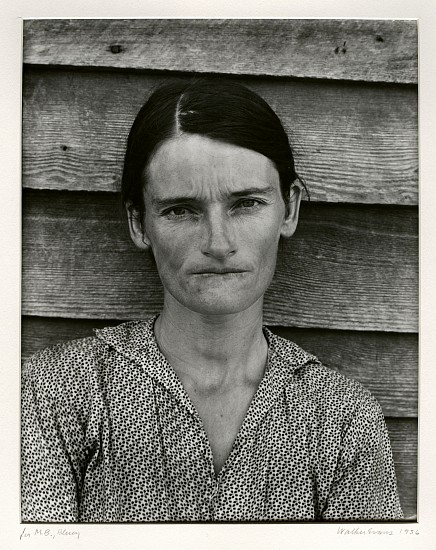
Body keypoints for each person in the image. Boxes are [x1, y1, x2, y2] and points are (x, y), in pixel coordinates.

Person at [21, 79, 403, 522]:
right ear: (140, 223)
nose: (219, 243)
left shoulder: (341, 419)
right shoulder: (53, 394)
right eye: (180, 210)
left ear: (290, 208)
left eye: (246, 204)